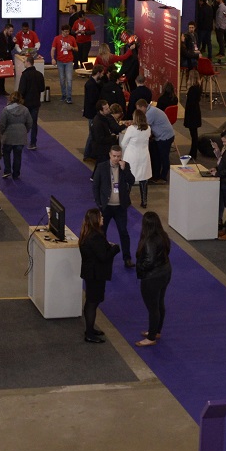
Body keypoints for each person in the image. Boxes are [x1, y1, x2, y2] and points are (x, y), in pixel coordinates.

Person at [78, 208, 119, 343]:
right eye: (100, 216)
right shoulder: (95, 236)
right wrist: (115, 249)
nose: (103, 218)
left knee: (91, 301)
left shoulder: (87, 233)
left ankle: (90, 329)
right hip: (95, 274)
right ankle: (89, 334)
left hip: (90, 273)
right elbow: (103, 256)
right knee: (92, 302)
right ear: (95, 220)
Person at [92, 143, 137, 266]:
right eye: (114, 156)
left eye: (118, 156)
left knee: (123, 232)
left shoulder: (125, 166)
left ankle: (127, 258)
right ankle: (102, 255)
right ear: (110, 155)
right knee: (102, 232)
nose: (116, 159)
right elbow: (95, 186)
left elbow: (132, 181)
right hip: (106, 207)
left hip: (120, 207)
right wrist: (99, 204)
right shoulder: (101, 167)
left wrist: (125, 169)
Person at [134, 211, 172, 346]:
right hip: (165, 272)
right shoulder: (163, 235)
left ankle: (151, 338)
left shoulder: (149, 240)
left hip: (152, 277)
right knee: (160, 303)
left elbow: (149, 261)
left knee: (153, 307)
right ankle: (156, 331)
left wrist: (139, 267)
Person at [120, 111, 154, 209]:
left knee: (129, 178)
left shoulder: (131, 129)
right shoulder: (148, 128)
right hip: (144, 156)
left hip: (132, 156)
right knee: (144, 178)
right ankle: (144, 201)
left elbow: (123, 143)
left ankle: (126, 200)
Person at [0, 92, 33, 180]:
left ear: (10, 98)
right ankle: (16, 173)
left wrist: (1, 133)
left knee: (6, 153)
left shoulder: (6, 110)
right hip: (20, 136)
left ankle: (7, 170)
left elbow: (2, 124)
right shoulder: (25, 109)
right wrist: (25, 130)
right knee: (18, 155)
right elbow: (30, 122)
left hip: (8, 136)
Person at [141, 98, 176, 183]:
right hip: (163, 135)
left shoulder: (150, 113)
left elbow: (144, 127)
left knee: (164, 157)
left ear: (143, 107)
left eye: (139, 109)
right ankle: (156, 176)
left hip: (165, 137)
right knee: (157, 155)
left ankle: (163, 177)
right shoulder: (152, 109)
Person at [17, 56, 46, 148]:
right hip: (36, 102)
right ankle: (33, 143)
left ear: (28, 62)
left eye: (24, 61)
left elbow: (21, 90)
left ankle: (22, 140)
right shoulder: (39, 74)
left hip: (25, 103)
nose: (24, 63)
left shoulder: (25, 75)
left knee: (23, 122)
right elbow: (42, 88)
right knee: (34, 123)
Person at [51, 24, 77, 104]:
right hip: (60, 61)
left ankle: (69, 97)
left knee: (69, 79)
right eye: (65, 32)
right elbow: (53, 49)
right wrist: (52, 58)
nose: (67, 33)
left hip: (69, 61)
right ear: (62, 31)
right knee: (62, 79)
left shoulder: (72, 38)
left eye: (68, 31)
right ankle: (64, 94)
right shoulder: (57, 38)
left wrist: (72, 48)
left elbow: (76, 48)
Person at [183, 73, 204, 157]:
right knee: (194, 133)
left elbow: (190, 103)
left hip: (192, 113)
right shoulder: (198, 87)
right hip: (196, 112)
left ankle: (193, 152)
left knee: (193, 134)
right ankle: (193, 151)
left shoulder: (192, 89)